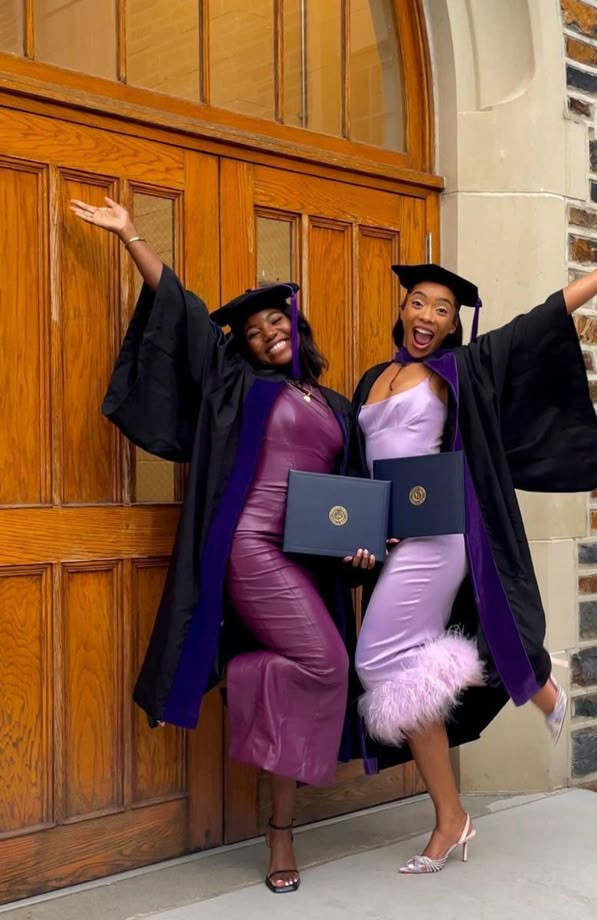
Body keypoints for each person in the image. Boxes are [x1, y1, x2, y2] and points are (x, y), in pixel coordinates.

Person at [70, 197, 375, 895]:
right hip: (248, 543)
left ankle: (280, 830)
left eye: (278, 321)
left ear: (297, 325)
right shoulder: (238, 383)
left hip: (304, 555)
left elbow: (350, 496)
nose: (268, 333)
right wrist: (133, 239)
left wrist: (363, 549)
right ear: (242, 343)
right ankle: (247, 695)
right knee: (327, 663)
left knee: (317, 671)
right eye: (255, 329)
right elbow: (182, 310)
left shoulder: (335, 408)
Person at [351, 238, 597, 874]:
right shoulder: (374, 378)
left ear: (454, 322)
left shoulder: (461, 369)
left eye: (441, 310)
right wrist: (368, 524)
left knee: (374, 659)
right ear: (404, 307)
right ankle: (458, 808)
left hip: (439, 536)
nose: (426, 317)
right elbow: (362, 466)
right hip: (397, 540)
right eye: (418, 303)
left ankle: (519, 685)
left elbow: (541, 322)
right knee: (396, 671)